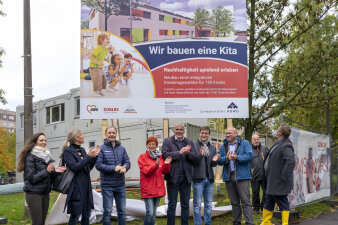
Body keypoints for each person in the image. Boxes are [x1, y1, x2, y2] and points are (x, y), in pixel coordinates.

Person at [17, 133, 66, 225]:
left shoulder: (47, 156)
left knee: (42, 222)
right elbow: (31, 178)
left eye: (45, 140)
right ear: (35, 143)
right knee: (37, 223)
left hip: (45, 193)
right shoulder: (30, 157)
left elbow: (48, 174)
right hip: (34, 194)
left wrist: (55, 170)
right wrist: (47, 171)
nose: (44, 142)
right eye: (41, 140)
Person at [161, 123, 199, 225]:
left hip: (186, 178)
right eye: (177, 129)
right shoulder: (167, 141)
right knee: (172, 204)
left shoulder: (189, 142)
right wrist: (179, 153)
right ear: (173, 131)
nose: (179, 131)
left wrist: (188, 153)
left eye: (181, 129)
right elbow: (164, 156)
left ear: (184, 131)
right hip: (172, 178)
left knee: (185, 205)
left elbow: (196, 159)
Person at [62, 129, 100, 225]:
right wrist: (88, 156)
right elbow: (75, 167)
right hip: (76, 186)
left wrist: (94, 157)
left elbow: (87, 168)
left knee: (86, 214)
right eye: (81, 135)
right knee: (75, 214)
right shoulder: (67, 151)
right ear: (76, 138)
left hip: (86, 185)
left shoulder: (82, 149)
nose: (83, 136)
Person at [217, 128, 254, 225]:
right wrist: (226, 158)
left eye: (230, 133)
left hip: (242, 176)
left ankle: (249, 222)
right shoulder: (223, 146)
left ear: (236, 134)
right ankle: (237, 221)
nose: (227, 135)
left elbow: (250, 156)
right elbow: (219, 160)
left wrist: (237, 157)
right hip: (229, 176)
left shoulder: (245, 143)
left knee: (245, 201)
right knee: (234, 202)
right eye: (226, 133)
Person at [96, 126, 131, 225]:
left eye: (113, 133)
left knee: (122, 212)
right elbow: (98, 165)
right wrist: (113, 168)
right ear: (106, 134)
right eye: (109, 132)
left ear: (116, 134)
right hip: (107, 186)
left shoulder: (121, 148)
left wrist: (125, 167)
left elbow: (127, 162)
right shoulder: (101, 148)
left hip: (120, 185)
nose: (112, 134)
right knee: (107, 212)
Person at [261, 125, 295, 225]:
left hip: (279, 180)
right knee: (269, 200)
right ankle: (266, 222)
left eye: (278, 129)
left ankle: (285, 223)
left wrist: (284, 176)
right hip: (272, 180)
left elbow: (291, 161)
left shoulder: (286, 145)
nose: (276, 130)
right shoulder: (279, 143)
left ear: (280, 133)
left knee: (282, 201)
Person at [138, 137, 172, 225]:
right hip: (148, 189)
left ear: (156, 145)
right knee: (150, 212)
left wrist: (167, 164)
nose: (152, 145)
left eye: (153, 144)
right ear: (147, 145)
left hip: (158, 189)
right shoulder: (142, 157)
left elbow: (165, 171)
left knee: (153, 213)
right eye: (150, 144)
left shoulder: (160, 157)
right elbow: (146, 171)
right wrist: (155, 166)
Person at [193, 126, 220, 225]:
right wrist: (200, 155)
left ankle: (208, 223)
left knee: (208, 204)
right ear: (199, 133)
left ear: (209, 135)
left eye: (206, 133)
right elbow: (193, 161)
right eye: (202, 133)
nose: (204, 135)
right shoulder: (194, 145)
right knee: (197, 205)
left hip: (209, 179)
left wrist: (214, 161)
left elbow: (212, 165)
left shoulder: (212, 147)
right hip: (198, 179)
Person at [250, 134, 268, 214]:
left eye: (257, 139)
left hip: (264, 174)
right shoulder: (249, 150)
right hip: (254, 175)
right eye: (254, 139)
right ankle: (256, 208)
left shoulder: (264, 149)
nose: (256, 141)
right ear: (252, 140)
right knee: (255, 192)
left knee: (266, 191)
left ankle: (264, 206)